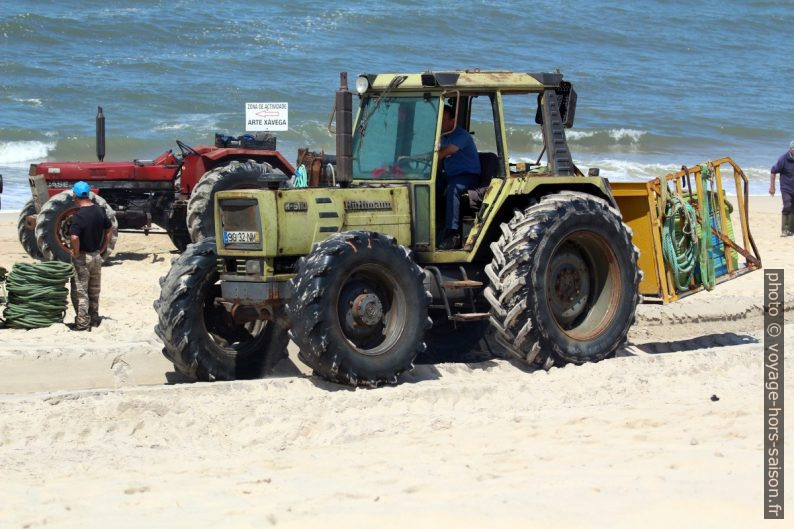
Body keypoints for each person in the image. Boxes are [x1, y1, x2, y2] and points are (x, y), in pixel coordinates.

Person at [69, 181, 112, 330]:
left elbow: (74, 237)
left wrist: (75, 252)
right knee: (94, 290)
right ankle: (94, 319)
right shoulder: (99, 210)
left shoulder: (78, 216)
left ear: (75, 195)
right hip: (96, 256)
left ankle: (82, 323)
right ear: (88, 194)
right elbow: (109, 228)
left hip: (83, 257)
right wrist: (103, 247)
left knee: (80, 291)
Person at [437, 105, 481, 250]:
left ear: (452, 120)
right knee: (431, 188)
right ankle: (433, 226)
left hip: (468, 175)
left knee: (453, 189)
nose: (440, 123)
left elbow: (444, 153)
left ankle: (453, 233)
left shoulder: (461, 135)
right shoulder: (444, 136)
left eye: (442, 119)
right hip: (450, 175)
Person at [770, 141, 794, 237]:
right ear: (790, 149)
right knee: (787, 205)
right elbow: (773, 171)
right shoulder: (783, 159)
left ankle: (791, 229)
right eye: (793, 148)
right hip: (786, 188)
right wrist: (772, 186)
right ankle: (784, 229)